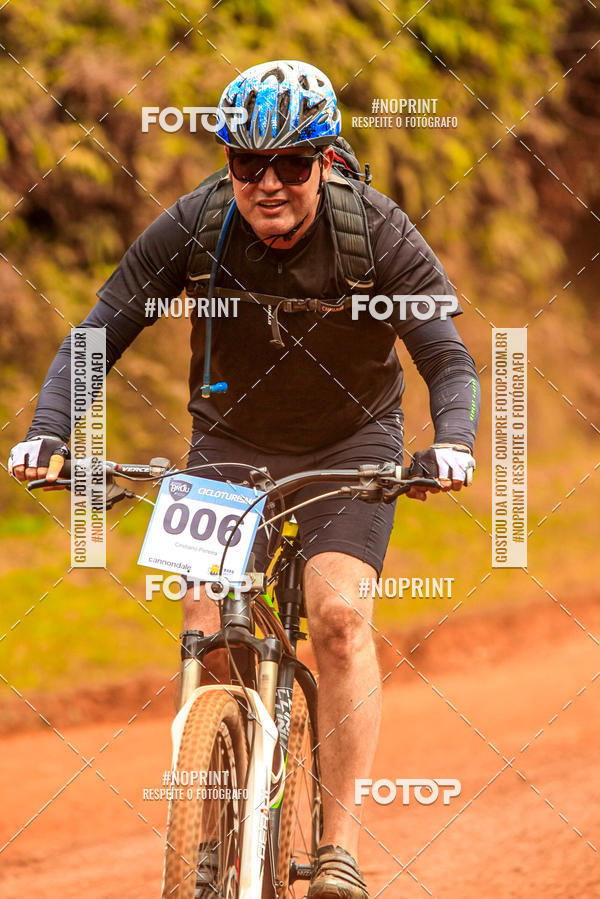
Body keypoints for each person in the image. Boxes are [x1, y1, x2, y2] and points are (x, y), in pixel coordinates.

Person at [9, 60, 480, 899]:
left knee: (338, 618)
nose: (268, 184)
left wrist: (453, 443)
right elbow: (101, 330)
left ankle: (337, 846)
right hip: (229, 441)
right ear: (227, 162)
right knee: (208, 622)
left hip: (350, 443)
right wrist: (47, 432)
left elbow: (448, 356)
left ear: (324, 161)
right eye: (246, 163)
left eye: (290, 164)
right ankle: (211, 825)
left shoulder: (375, 230)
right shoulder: (196, 225)